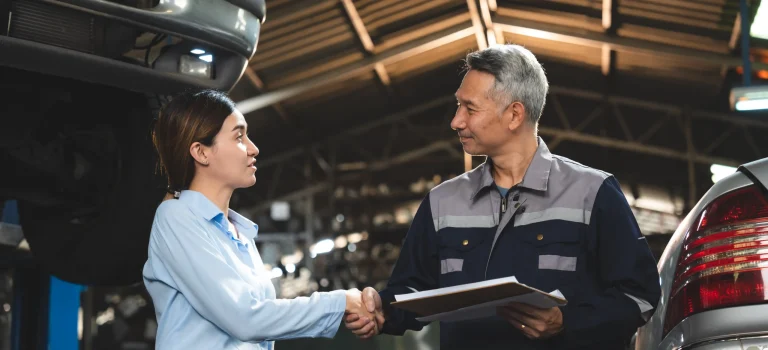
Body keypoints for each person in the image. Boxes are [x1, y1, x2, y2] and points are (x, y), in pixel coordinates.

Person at [345, 44, 661, 349]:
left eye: (470, 108)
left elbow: (640, 297)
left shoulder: (593, 194)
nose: (456, 121)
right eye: (458, 106)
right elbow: (413, 289)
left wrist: (567, 322)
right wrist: (382, 308)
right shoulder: (441, 203)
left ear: (514, 115)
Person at [143, 89, 381, 350]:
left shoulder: (240, 233)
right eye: (239, 137)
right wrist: (342, 302)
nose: (253, 149)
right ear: (201, 152)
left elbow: (260, 322)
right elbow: (245, 318)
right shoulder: (176, 217)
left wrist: (349, 308)